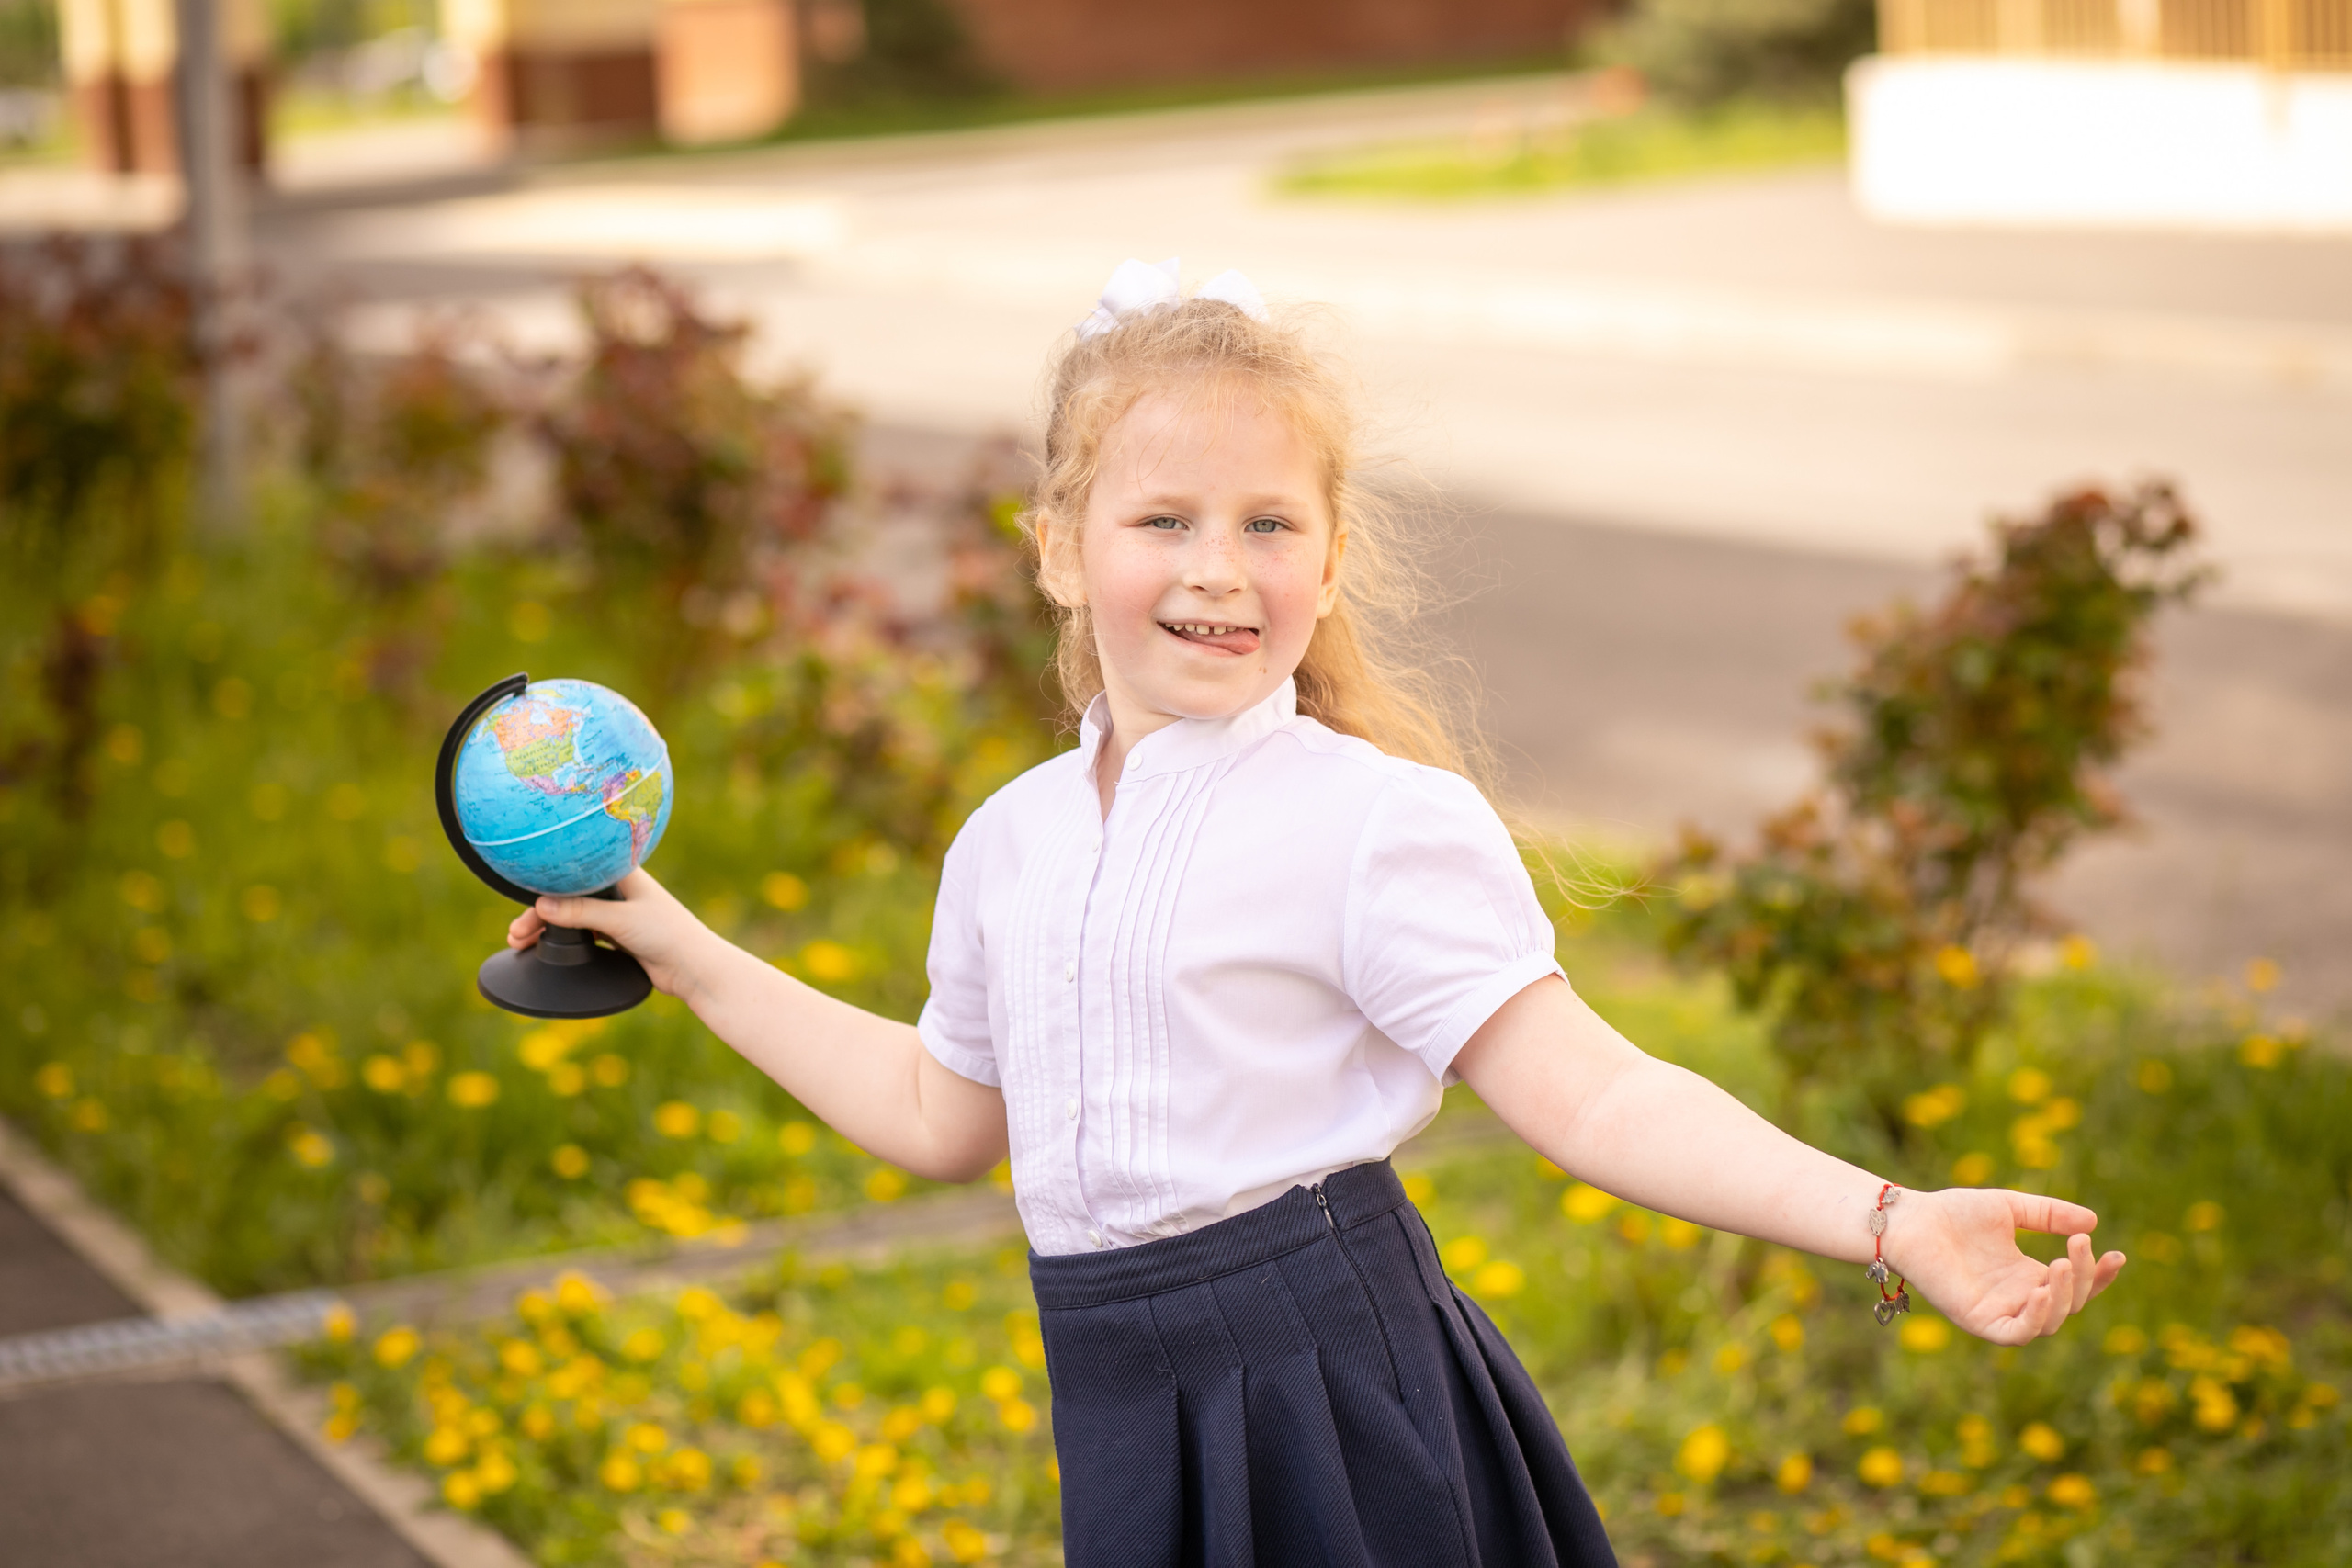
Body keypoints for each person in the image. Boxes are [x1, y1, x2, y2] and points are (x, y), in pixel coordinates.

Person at [513, 259, 2127, 1568]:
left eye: (1269, 523)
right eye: (1165, 520)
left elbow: (1602, 1090)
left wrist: (1887, 1214)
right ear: (1061, 553)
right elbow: (945, 1116)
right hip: (1126, 1404)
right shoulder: (1006, 843)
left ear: (1332, 560)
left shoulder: (1372, 825)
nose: (1221, 567)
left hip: (1334, 1402)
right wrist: (678, 944)